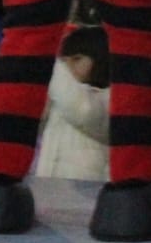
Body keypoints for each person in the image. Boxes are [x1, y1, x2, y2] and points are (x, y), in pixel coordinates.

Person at [34, 26, 111, 180]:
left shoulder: (112, 99)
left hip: (89, 199)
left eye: (77, 59)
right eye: (64, 60)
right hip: (47, 193)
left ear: (101, 58)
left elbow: (82, 111)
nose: (67, 66)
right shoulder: (60, 96)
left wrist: (46, 54)